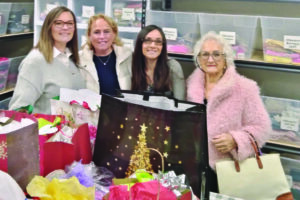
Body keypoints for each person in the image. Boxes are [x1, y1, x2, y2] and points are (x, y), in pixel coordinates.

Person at [186, 31, 271, 192]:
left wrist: (235, 140)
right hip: (194, 168)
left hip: (228, 171)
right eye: (205, 54)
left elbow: (262, 128)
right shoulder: (191, 85)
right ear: (198, 60)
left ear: (226, 59)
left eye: (217, 54)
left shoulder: (245, 88)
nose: (210, 59)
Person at [9, 6, 85, 114]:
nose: (65, 27)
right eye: (58, 23)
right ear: (49, 27)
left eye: (70, 23)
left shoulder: (71, 57)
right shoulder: (35, 62)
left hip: (70, 129)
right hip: (46, 129)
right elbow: (19, 110)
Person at [79, 13, 132, 95]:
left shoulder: (127, 56)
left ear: (114, 34)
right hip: (92, 108)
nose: (102, 36)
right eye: (96, 32)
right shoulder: (79, 60)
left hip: (121, 107)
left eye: (106, 31)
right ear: (89, 35)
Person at [131, 25, 185, 100]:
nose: (153, 45)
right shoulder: (131, 65)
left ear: (163, 46)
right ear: (140, 44)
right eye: (147, 40)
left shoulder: (173, 67)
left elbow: (179, 103)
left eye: (158, 41)